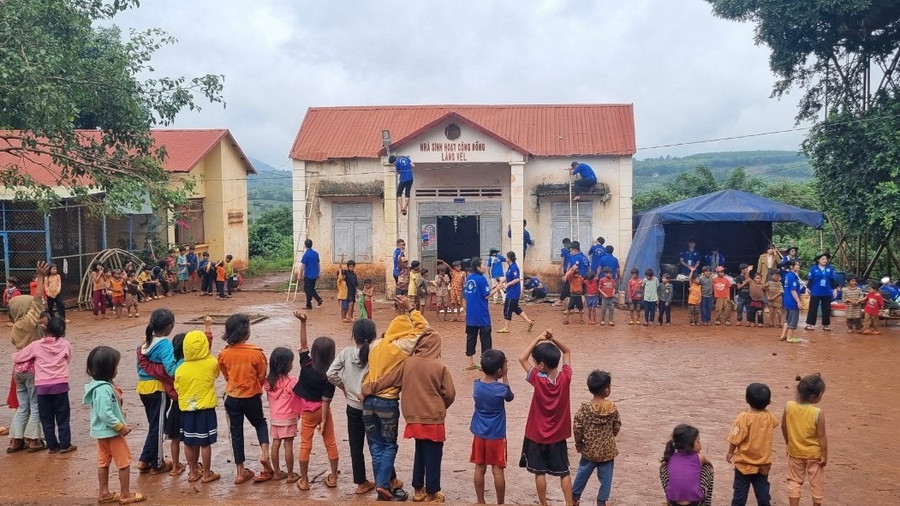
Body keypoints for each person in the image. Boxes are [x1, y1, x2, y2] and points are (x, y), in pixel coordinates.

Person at [362, 321, 456, 503]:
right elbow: (450, 394)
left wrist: (370, 387)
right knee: (434, 455)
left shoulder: (408, 363)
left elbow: (390, 379)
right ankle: (432, 494)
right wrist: (441, 406)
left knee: (420, 452)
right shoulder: (440, 367)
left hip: (413, 418)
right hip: (434, 418)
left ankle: (418, 490)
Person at [361, 296, 423, 501]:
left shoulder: (376, 344)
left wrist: (401, 314)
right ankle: (382, 484)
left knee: (376, 446)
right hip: (387, 401)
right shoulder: (402, 346)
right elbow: (423, 329)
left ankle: (384, 485)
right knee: (389, 445)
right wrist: (411, 310)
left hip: (368, 402)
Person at [83, 346, 146, 504]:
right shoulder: (104, 389)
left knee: (103, 462)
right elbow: (105, 413)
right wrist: (120, 427)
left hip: (101, 433)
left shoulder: (96, 386)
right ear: (109, 370)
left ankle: (104, 493)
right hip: (112, 433)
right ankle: (125, 494)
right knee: (124, 462)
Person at [518, 330, 574, 506]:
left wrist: (538, 338)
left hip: (538, 434)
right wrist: (553, 338)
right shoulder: (565, 377)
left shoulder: (537, 379)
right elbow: (567, 351)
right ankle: (569, 503)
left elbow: (522, 359)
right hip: (558, 435)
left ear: (541, 365)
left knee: (539, 472)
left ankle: (544, 503)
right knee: (564, 472)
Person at [217, 313, 273, 484]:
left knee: (236, 432)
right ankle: (264, 454)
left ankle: (240, 471)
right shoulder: (256, 353)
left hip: (232, 397)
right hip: (252, 396)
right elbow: (262, 375)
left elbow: (225, 373)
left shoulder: (224, 354)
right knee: (260, 424)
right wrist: (254, 385)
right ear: (245, 332)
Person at [326, 319, 377, 495]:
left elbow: (330, 374)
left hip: (352, 407)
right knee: (377, 444)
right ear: (372, 336)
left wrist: (345, 387)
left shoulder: (346, 353)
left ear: (354, 335)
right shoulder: (375, 353)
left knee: (356, 446)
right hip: (370, 405)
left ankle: (361, 483)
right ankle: (387, 479)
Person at [290, 312, 339, 490]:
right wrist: (325, 420)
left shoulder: (306, 364)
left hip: (308, 412)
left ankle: (304, 480)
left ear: (313, 353)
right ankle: (333, 477)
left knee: (305, 444)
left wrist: (303, 323)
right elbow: (326, 401)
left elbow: (302, 344)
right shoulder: (331, 375)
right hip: (322, 411)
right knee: (330, 442)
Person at [12, 316, 74, 454]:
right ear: (62, 331)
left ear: (47, 328)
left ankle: (52, 446)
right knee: (63, 417)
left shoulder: (36, 345)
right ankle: (65, 445)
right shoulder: (65, 344)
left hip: (42, 387)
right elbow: (68, 359)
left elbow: (18, 357)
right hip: (61, 385)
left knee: (46, 418)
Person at [174, 329, 221, 484]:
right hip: (205, 410)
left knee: (189, 442)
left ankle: (193, 472)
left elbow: (177, 387)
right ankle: (207, 473)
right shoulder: (211, 363)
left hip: (187, 410)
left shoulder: (180, 368)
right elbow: (216, 373)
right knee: (205, 442)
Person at [469, 349, 514, 505]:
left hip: (479, 433)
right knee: (497, 470)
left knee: (479, 468)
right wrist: (506, 375)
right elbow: (510, 396)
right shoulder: (501, 389)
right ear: (500, 370)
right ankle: (500, 503)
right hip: (497, 434)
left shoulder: (477, 386)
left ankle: (481, 501)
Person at [135, 309, 177, 474]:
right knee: (158, 426)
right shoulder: (165, 344)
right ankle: (158, 463)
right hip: (158, 389)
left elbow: (139, 367)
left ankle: (144, 459)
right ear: (169, 327)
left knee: (154, 425)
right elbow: (171, 370)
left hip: (143, 388)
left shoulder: (143, 343)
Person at [571, 370, 620, 506]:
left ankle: (574, 497)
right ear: (606, 390)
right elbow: (616, 425)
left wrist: (579, 444)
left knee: (582, 473)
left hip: (589, 450)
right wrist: (611, 435)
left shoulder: (584, 409)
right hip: (607, 451)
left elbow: (577, 427)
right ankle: (601, 501)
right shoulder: (612, 408)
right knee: (606, 479)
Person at [726, 383, 778, 506]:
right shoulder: (769, 416)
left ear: (746, 399)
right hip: (762, 465)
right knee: (763, 496)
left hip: (743, 464)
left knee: (739, 496)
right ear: (769, 401)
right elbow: (775, 423)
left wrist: (730, 452)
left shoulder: (743, 418)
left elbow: (735, 438)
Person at [782, 374, 827, 506]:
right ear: (814, 396)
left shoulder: (789, 406)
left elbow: (784, 426)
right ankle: (816, 503)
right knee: (816, 482)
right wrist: (824, 455)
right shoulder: (818, 412)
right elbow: (821, 436)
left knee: (794, 481)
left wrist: (788, 443)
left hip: (795, 451)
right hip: (814, 454)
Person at [264, 347, 299, 484]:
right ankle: (290, 475)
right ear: (286, 365)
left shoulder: (268, 382)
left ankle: (277, 472)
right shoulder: (292, 381)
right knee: (288, 445)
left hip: (275, 418)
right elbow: (296, 398)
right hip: (289, 417)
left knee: (275, 444)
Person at [660, 424, 714, 506]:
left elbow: (664, 465)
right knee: (708, 468)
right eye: (698, 441)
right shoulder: (699, 457)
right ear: (689, 444)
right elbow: (709, 463)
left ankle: (670, 501)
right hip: (695, 502)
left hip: (673, 501)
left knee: (663, 468)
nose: (700, 445)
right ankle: (706, 504)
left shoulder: (670, 458)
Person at [464, 258, 501, 370]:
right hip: (482, 315)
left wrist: (492, 288)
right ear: (478, 267)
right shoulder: (482, 279)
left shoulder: (469, 278)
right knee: (485, 339)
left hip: (470, 315)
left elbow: (473, 293)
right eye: (483, 265)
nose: (485, 267)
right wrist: (498, 288)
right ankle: (484, 363)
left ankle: (470, 362)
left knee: (471, 337)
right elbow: (486, 295)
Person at [498, 251, 535, 333]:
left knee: (507, 309)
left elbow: (517, 279)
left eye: (507, 257)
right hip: (511, 292)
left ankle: (506, 328)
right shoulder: (510, 267)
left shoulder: (514, 267)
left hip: (513, 293)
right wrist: (501, 282)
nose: (506, 259)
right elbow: (508, 277)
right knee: (515, 308)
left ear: (510, 258)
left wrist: (507, 284)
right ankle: (529, 321)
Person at [805, 252, 836, 331]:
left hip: (827, 291)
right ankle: (810, 324)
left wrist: (835, 289)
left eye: (826, 259)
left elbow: (832, 279)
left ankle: (826, 325)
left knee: (826, 308)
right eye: (823, 259)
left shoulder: (830, 268)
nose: (825, 260)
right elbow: (810, 279)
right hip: (816, 291)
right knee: (813, 308)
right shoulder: (813, 269)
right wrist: (808, 288)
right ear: (818, 260)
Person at [779, 260, 803, 343]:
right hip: (792, 301)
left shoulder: (788, 275)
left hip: (787, 300)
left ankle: (783, 335)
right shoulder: (792, 276)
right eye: (796, 265)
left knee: (787, 319)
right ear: (791, 267)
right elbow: (793, 290)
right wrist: (798, 301)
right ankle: (789, 337)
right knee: (793, 319)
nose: (798, 266)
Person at [299, 239, 323, 309]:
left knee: (308, 289)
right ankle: (318, 299)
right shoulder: (316, 253)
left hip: (308, 275)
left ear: (305, 245)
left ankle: (309, 305)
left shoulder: (306, 255)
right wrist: (318, 273)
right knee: (311, 288)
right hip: (315, 274)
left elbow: (303, 266)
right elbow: (318, 264)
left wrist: (299, 275)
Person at [553, 238, 573, 307]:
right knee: (568, 285)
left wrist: (559, 269)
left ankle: (561, 300)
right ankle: (563, 299)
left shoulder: (564, 251)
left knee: (566, 285)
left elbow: (562, 261)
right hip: (571, 270)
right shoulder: (572, 250)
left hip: (567, 270)